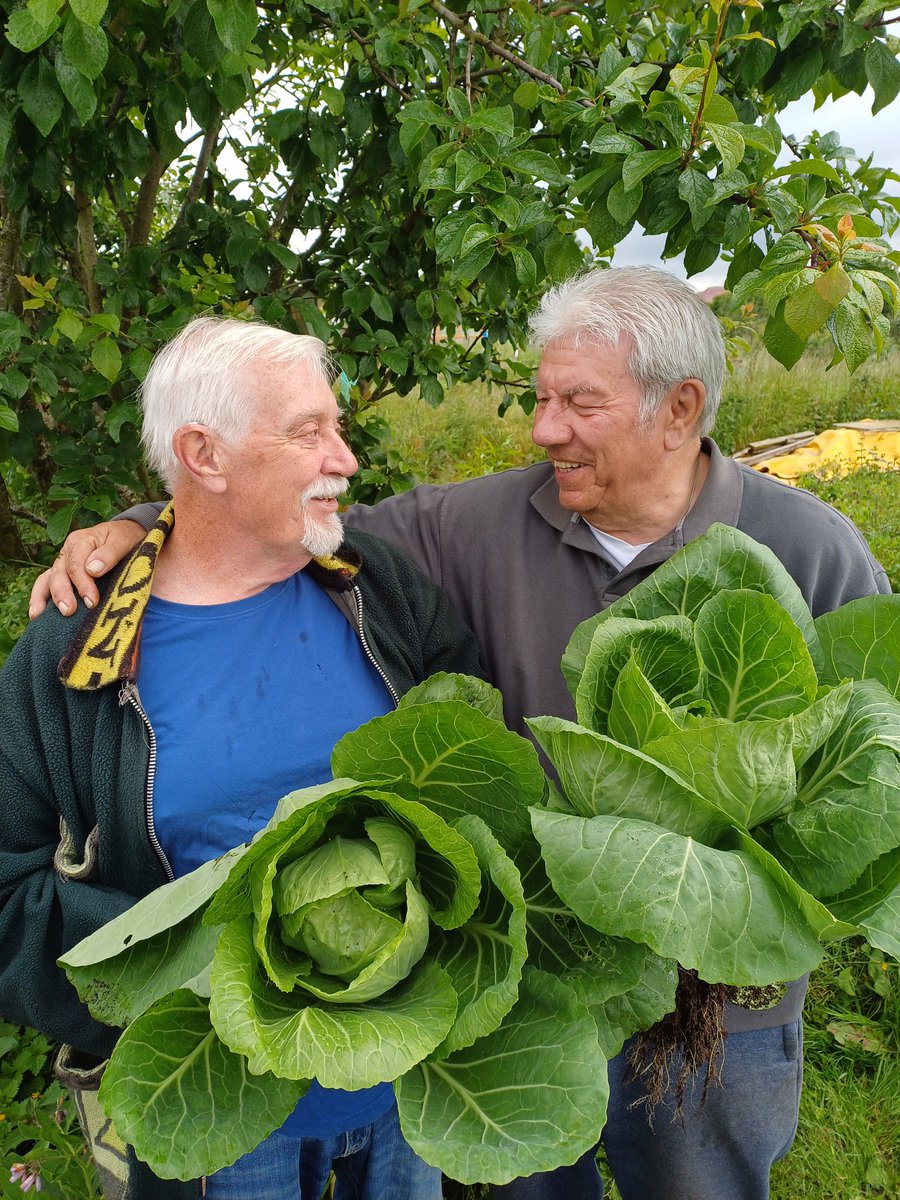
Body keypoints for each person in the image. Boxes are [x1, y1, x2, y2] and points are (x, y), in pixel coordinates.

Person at [30, 268, 890, 1200]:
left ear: (680, 407)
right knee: (527, 1172)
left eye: (578, 403)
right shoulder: (472, 524)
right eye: (541, 398)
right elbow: (274, 520)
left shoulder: (809, 549)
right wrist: (139, 523)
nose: (543, 428)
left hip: (723, 992)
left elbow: (873, 755)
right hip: (534, 974)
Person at [1, 316, 482, 1200]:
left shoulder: (375, 589)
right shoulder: (75, 654)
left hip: (410, 1086)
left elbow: (479, 779)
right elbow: (6, 896)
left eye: (335, 427)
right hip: (217, 1114)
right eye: (308, 432)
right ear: (205, 455)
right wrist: (189, 969)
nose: (344, 457)